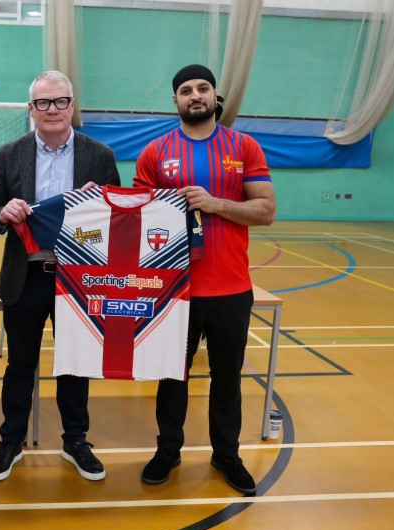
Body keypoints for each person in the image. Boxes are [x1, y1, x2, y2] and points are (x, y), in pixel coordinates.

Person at [132, 64, 277, 494]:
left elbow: (266, 211)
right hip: (175, 290)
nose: (195, 95)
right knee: (171, 376)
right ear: (175, 101)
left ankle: (226, 453)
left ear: (215, 97)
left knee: (227, 377)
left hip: (231, 288)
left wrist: (216, 204)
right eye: (185, 90)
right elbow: (136, 218)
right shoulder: (155, 152)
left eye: (202, 88)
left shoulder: (243, 146)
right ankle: (168, 450)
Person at [0, 70, 121, 482]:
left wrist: (99, 207)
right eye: (43, 102)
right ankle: (11, 440)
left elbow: (118, 218)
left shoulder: (100, 155)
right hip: (25, 276)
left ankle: (75, 440)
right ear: (31, 109)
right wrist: (2, 214)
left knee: (75, 364)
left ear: (72, 106)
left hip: (77, 280)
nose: (52, 109)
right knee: (19, 365)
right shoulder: (10, 153)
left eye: (60, 101)